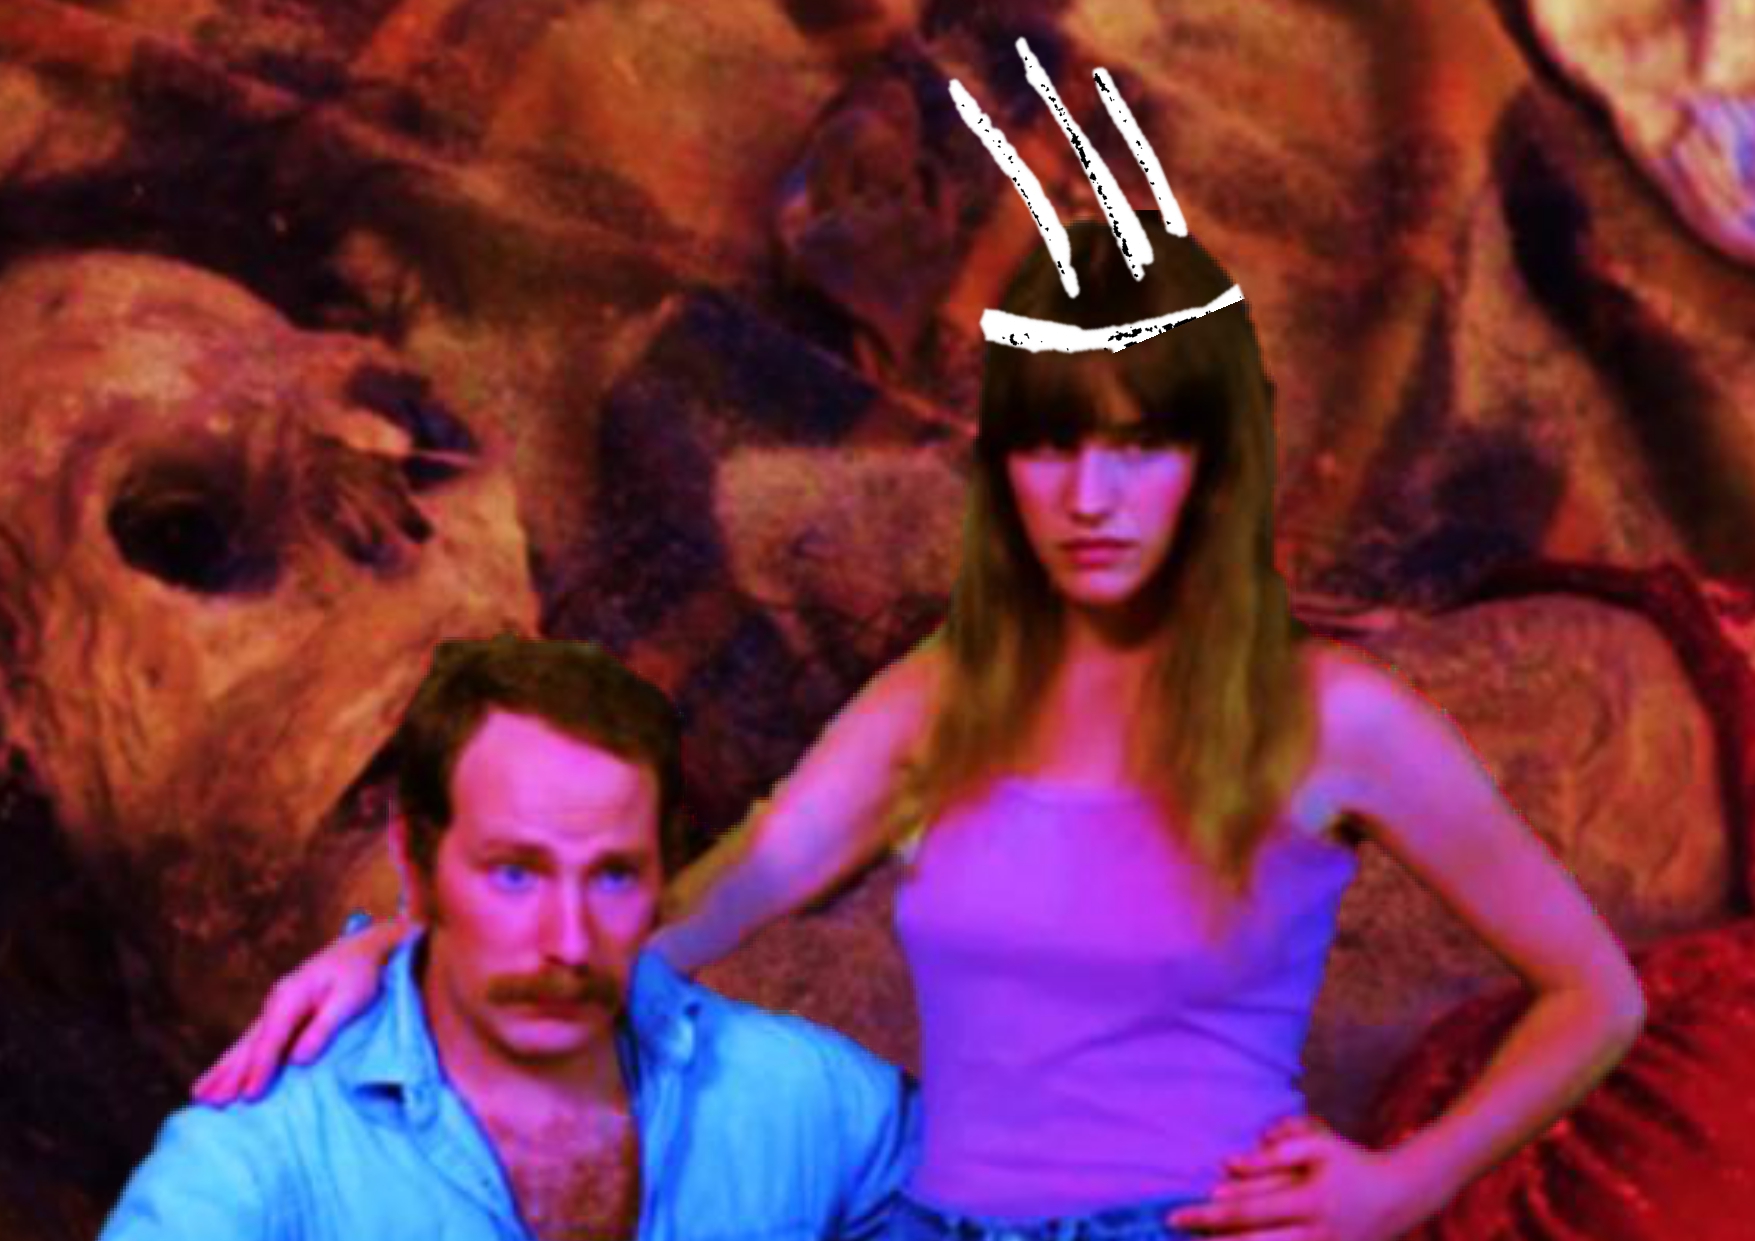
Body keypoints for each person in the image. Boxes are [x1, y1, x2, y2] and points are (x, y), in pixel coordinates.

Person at [196, 216, 1646, 1241]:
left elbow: (1596, 993)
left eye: (1138, 446)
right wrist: (401, 949)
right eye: (1050, 443)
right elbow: (696, 916)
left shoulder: (1336, 716)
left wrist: (1400, 1183)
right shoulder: (943, 695)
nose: (1088, 496)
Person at [105, 637, 917, 1241]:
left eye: (613, 876)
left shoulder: (806, 1098)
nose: (569, 942)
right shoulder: (263, 1163)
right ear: (416, 861)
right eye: (515, 874)